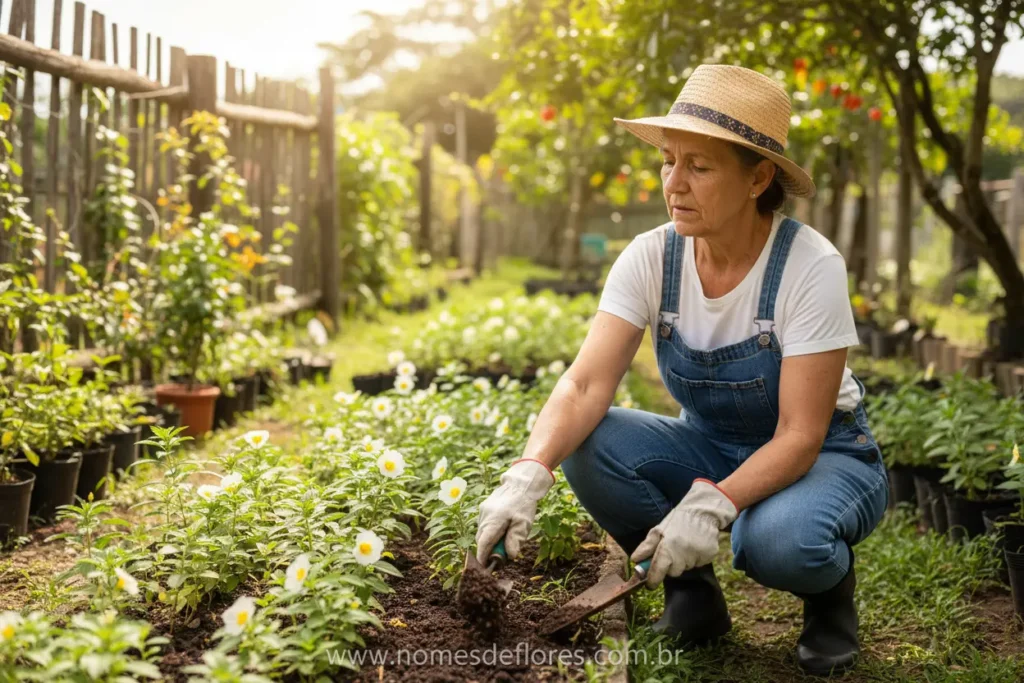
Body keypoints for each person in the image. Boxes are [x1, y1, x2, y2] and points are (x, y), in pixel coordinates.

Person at [473, 64, 888, 677]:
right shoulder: (652, 257)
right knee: (593, 443)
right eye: (669, 160)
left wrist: (715, 505)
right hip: (714, 445)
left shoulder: (808, 266)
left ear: (759, 178)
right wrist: (529, 472)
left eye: (700, 165)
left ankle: (829, 601)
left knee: (772, 542)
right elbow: (585, 384)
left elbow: (800, 435)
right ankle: (692, 599)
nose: (674, 183)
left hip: (825, 454)